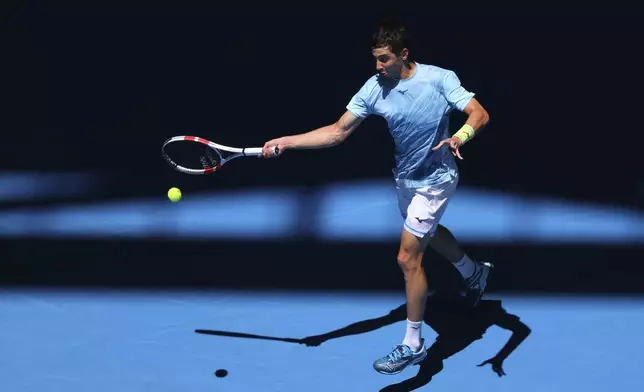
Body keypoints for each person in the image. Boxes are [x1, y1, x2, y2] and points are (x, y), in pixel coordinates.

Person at [261, 19, 492, 375]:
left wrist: (460, 136)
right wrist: (286, 141)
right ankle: (472, 272)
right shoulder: (373, 88)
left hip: (436, 180)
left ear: (403, 54)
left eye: (384, 59)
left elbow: (479, 113)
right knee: (426, 237)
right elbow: (337, 132)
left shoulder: (440, 78)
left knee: (407, 257)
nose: (378, 66)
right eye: (375, 59)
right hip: (406, 180)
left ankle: (413, 345)